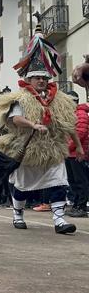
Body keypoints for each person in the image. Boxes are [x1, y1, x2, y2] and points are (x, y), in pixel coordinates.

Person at [0, 22, 84, 234]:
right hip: (28, 149)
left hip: (52, 149)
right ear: (29, 79)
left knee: (59, 183)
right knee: (23, 187)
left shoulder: (59, 100)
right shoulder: (20, 99)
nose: (41, 81)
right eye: (37, 78)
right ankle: (17, 214)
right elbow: (15, 120)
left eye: (44, 78)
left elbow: (69, 124)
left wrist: (78, 146)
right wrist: (33, 124)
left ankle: (59, 220)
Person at [64, 90, 89, 218]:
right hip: (70, 153)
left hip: (77, 154)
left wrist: (66, 147)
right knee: (73, 181)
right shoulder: (72, 114)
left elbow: (80, 133)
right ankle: (76, 205)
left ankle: (81, 206)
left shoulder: (81, 114)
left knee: (81, 181)